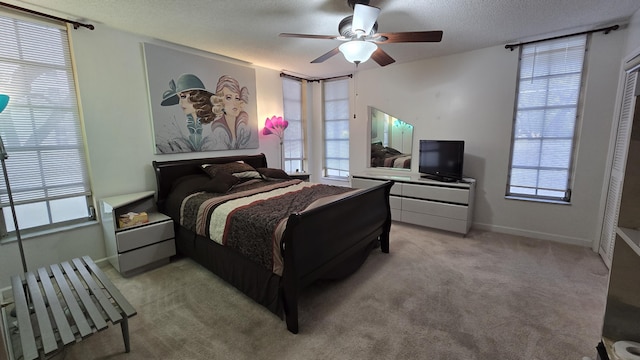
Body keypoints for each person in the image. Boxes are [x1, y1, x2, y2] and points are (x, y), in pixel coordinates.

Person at [158, 73, 215, 152]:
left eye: (183, 97)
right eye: (179, 98)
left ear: (196, 96)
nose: (180, 103)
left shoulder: (213, 126)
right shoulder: (177, 126)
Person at [209, 75, 252, 149]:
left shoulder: (243, 125)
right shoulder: (218, 130)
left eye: (237, 98)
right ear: (220, 100)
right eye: (229, 97)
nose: (234, 103)